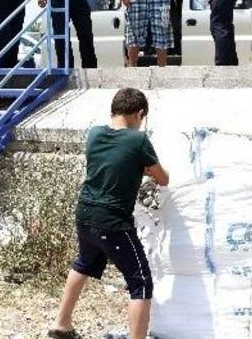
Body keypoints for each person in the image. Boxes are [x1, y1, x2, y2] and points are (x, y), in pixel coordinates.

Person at [49, 87, 169, 339]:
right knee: (141, 283)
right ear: (139, 114)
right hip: (112, 222)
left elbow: (113, 161)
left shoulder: (94, 134)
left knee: (83, 263)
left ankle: (61, 323)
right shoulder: (138, 140)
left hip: (85, 214)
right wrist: (146, 168)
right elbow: (162, 178)